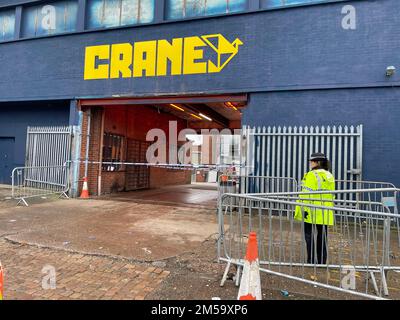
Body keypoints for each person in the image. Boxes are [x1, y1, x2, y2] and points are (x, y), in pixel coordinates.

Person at [295, 152, 335, 265]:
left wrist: (301, 211)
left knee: (309, 236)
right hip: (325, 211)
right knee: (322, 237)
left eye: (311, 161)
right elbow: (332, 194)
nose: (310, 163)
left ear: (317, 162)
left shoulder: (310, 175)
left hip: (311, 211)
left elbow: (305, 195)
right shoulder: (329, 175)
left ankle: (311, 261)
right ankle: (322, 261)